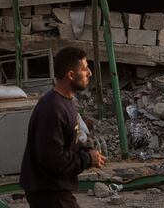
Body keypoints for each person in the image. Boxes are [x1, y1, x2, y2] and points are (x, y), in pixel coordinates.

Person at [19, 47, 106, 208]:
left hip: (55, 190)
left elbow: (65, 144)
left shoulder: (65, 102)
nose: (89, 73)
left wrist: (86, 151)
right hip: (49, 193)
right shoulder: (53, 108)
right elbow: (53, 159)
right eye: (84, 68)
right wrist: (87, 159)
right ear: (71, 75)